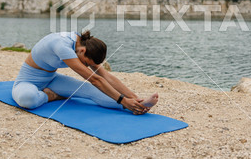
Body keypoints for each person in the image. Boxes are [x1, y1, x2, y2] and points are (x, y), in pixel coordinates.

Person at [12, 30, 158, 115]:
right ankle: (50, 96)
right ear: (82, 51)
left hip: (51, 79)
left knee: (93, 92)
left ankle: (137, 105)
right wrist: (123, 99)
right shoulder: (62, 46)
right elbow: (95, 79)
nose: (86, 66)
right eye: (87, 63)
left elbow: (104, 75)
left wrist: (133, 98)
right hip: (27, 81)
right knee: (28, 98)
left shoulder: (82, 44)